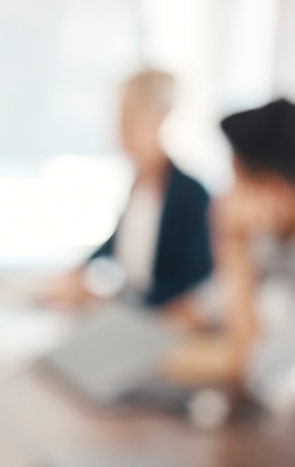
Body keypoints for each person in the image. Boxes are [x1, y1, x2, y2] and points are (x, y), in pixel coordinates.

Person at [165, 98, 295, 406]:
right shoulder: (274, 235)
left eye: (236, 179)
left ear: (273, 192)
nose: (225, 194)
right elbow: (202, 308)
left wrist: (233, 245)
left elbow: (255, 369)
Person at [50, 69, 213, 317]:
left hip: (160, 325)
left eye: (128, 117)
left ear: (157, 120)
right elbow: (115, 244)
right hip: (130, 316)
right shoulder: (137, 185)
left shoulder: (191, 195)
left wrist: (108, 301)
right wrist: (74, 275)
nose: (118, 126)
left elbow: (193, 282)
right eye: (118, 115)